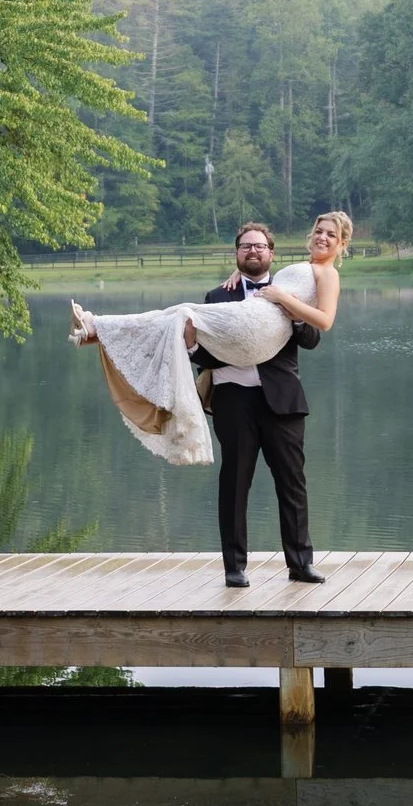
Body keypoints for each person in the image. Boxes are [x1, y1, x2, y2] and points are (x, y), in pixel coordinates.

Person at [71, 213, 349, 586]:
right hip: (234, 399)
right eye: (246, 246)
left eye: (260, 246)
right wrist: (192, 344)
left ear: (271, 254)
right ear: (237, 254)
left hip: (281, 401)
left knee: (292, 483)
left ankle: (300, 563)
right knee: (235, 482)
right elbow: (205, 352)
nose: (253, 251)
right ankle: (234, 568)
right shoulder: (220, 295)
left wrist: (289, 309)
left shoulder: (290, 286)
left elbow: (312, 338)